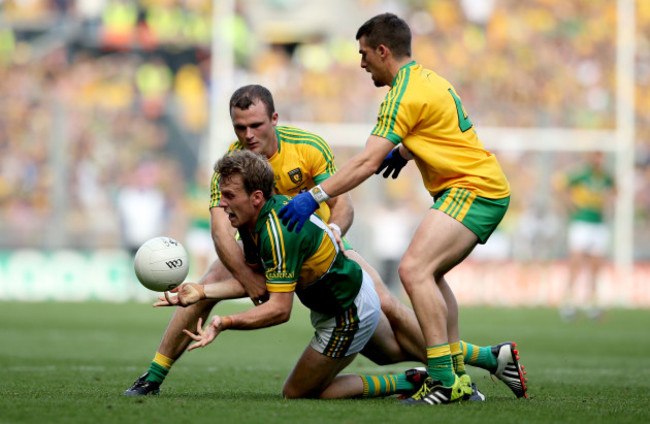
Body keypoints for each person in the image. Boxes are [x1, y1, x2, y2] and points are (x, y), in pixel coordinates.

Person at [124, 84, 526, 399]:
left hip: (320, 249)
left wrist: (333, 236)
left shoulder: (308, 147)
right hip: (263, 254)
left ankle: (458, 372)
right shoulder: (232, 167)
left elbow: (343, 208)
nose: (248, 135)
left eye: (256, 126)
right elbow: (218, 228)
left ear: (274, 119)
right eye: (240, 127)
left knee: (386, 309)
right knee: (205, 288)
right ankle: (153, 376)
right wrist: (246, 281)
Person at [278, 14, 522, 405]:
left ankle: (443, 381)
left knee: (413, 270)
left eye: (363, 54)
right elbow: (441, 127)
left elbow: (364, 163)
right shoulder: (427, 79)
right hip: (477, 186)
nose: (361, 63)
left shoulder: (401, 94)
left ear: (382, 51)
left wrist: (315, 196)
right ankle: (465, 371)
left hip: (473, 187)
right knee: (432, 276)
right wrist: (407, 150)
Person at [556, 152, 615, 321]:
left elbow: (615, 191)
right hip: (581, 223)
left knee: (596, 266)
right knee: (576, 262)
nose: (598, 161)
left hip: (599, 224)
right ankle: (569, 302)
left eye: (601, 158)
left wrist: (608, 203)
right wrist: (569, 204)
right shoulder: (581, 175)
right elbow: (561, 185)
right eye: (596, 157)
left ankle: (592, 303)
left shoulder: (606, 177)